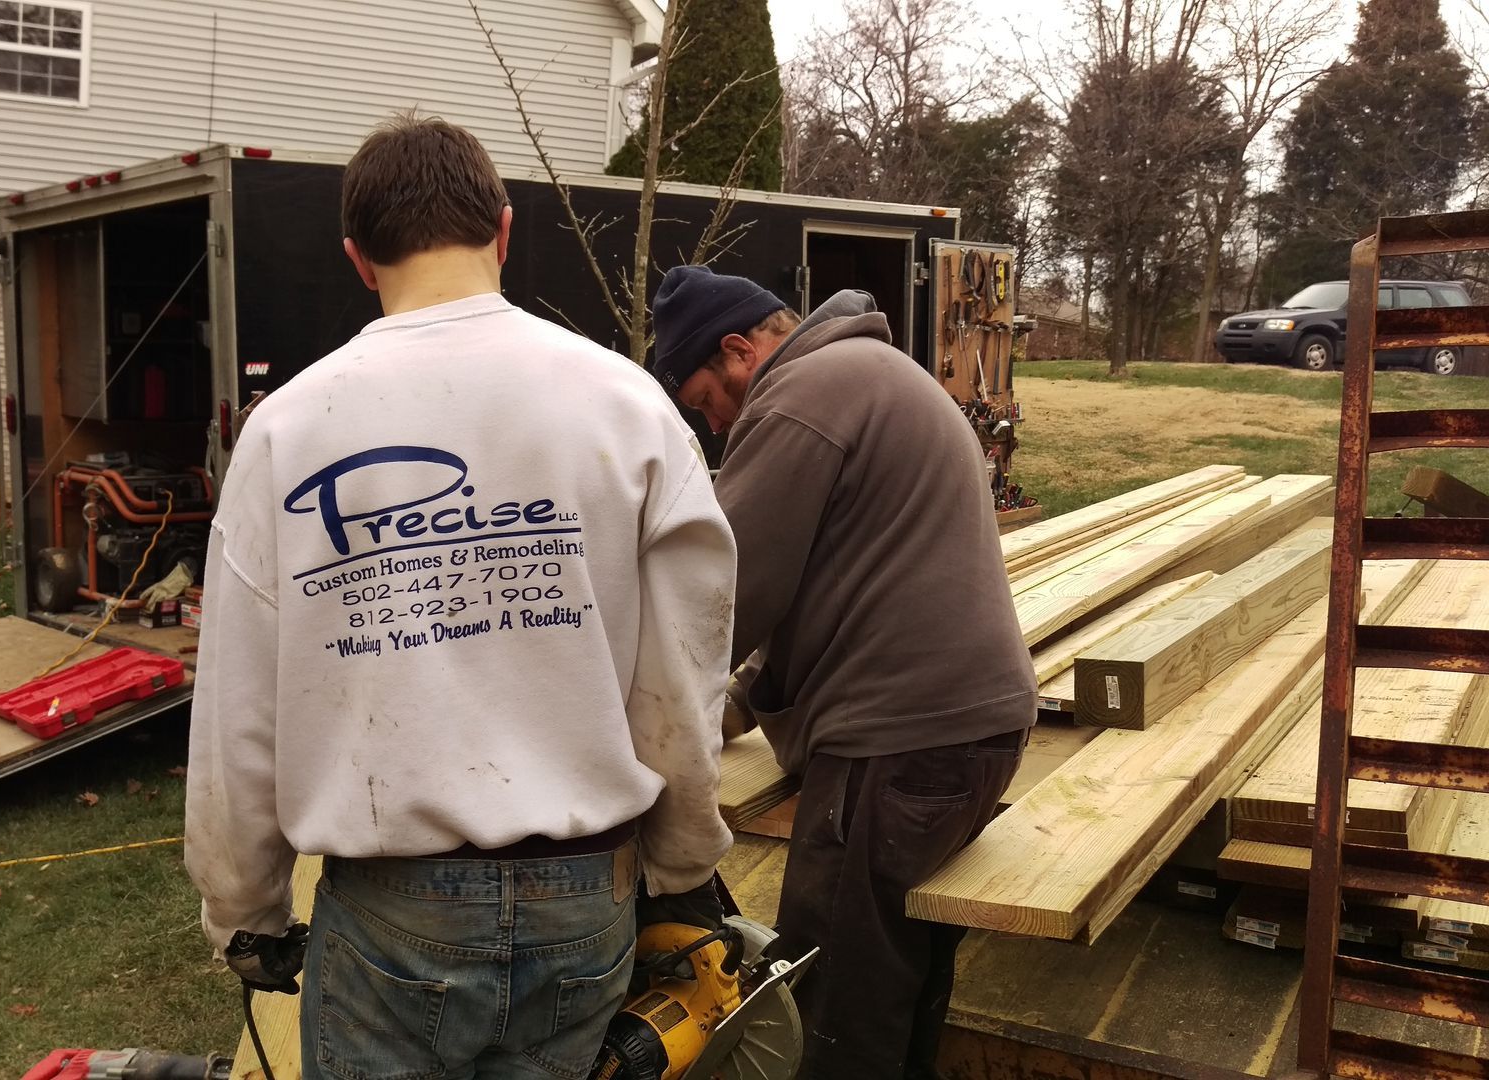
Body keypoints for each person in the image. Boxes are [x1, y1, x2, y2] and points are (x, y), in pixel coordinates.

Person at [183, 117, 739, 1079]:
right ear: (506, 230)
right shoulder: (628, 407)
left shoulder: (286, 433)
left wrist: (244, 910)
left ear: (359, 259)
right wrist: (682, 862)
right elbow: (685, 670)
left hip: (391, 912)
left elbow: (239, 713)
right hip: (586, 900)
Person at [648, 266, 1037, 1080]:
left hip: (894, 744)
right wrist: (727, 713)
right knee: (896, 987)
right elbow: (816, 597)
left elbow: (721, 599)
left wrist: (635, 726)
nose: (716, 426)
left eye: (705, 401)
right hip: (961, 734)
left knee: (829, 1010)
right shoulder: (876, 375)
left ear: (738, 350)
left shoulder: (803, 398)